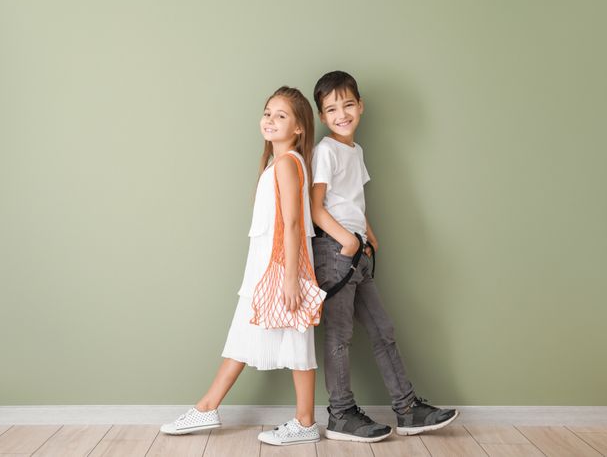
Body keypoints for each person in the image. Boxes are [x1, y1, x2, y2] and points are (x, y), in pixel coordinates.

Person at [160, 86, 322, 446]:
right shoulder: (276, 164)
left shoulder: (286, 164)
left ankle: (303, 420)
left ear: (299, 128)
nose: (270, 120)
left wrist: (292, 278)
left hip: (280, 270)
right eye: (267, 113)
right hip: (268, 269)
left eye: (281, 116)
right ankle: (209, 406)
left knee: (296, 339)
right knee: (249, 336)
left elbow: (294, 223)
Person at [310, 71, 458, 442]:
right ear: (322, 117)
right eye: (331, 109)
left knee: (382, 330)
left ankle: (407, 409)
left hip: (357, 250)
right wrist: (347, 240)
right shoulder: (325, 151)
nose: (341, 113)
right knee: (340, 335)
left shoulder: (355, 151)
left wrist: (369, 236)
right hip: (335, 250)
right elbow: (316, 208)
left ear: (360, 106)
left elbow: (352, 202)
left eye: (347, 104)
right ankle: (341, 413)